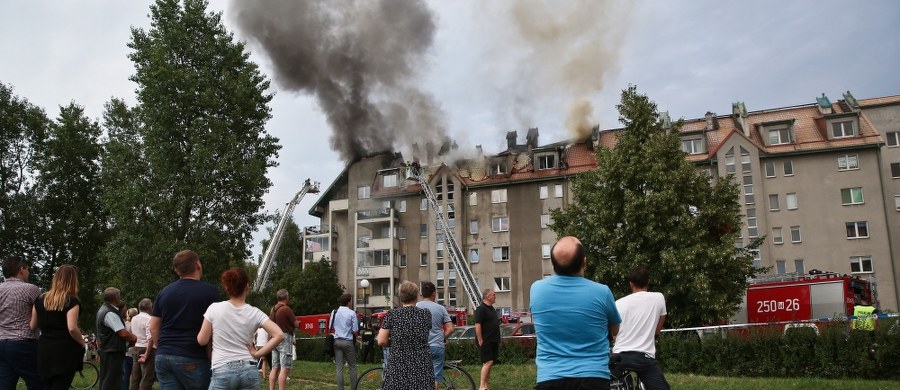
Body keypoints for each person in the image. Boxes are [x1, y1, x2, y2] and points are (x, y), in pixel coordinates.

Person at [530, 236, 622, 390]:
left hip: (550, 377)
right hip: (594, 377)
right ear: (584, 262)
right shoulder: (602, 292)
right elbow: (615, 330)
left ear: (553, 263)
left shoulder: (536, 290)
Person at [197, 268, 284, 390]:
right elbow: (279, 334)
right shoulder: (255, 312)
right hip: (249, 369)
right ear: (247, 287)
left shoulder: (214, 308)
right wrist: (257, 353)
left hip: (222, 368)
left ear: (226, 287)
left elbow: (202, 340)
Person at [150, 249, 220, 390]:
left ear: (177, 270)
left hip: (163, 356)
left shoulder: (164, 292)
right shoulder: (210, 292)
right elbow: (215, 329)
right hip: (193, 355)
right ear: (198, 265)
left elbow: (153, 326)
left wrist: (162, 346)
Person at [612, 266, 669, 390]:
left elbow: (614, 333)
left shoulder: (618, 303)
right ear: (648, 281)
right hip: (644, 357)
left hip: (620, 356)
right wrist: (651, 335)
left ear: (631, 284)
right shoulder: (658, 298)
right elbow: (658, 327)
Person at [29, 264, 85, 390]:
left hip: (44, 349)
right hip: (65, 351)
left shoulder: (40, 299)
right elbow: (72, 328)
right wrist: (81, 341)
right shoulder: (72, 301)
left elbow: (32, 325)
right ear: (73, 280)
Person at [376, 281, 433, 390]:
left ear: (400, 297)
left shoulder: (392, 314)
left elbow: (381, 341)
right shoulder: (425, 314)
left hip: (398, 363)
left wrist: (394, 342)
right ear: (416, 296)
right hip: (422, 364)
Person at [0, 256, 44, 390]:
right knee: (38, 383)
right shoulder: (31, 289)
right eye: (28, 269)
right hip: (23, 342)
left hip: (1, 343)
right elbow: (42, 314)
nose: (28, 272)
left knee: (5, 385)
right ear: (22, 269)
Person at [96, 287, 138, 390]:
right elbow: (122, 333)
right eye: (119, 296)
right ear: (116, 298)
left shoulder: (103, 310)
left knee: (108, 380)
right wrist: (133, 337)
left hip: (108, 350)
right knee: (112, 382)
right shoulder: (110, 313)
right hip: (112, 352)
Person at [416, 281, 454, 390]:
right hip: (437, 346)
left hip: (420, 347)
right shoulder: (441, 308)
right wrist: (442, 338)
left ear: (422, 293)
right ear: (434, 294)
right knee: (435, 379)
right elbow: (450, 328)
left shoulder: (416, 307)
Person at [268, 289, 297, 390]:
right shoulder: (286, 309)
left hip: (274, 338)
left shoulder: (273, 309)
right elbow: (295, 323)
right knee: (284, 369)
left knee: (274, 368)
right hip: (285, 338)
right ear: (286, 297)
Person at [474, 287, 500, 390]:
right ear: (488, 297)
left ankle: (486, 386)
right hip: (485, 340)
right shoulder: (481, 308)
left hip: (493, 340)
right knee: (488, 362)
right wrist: (480, 339)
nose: (495, 296)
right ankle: (481, 386)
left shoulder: (491, 308)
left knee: (490, 362)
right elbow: (477, 324)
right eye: (494, 295)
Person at [332, 293, 359, 390]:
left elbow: (331, 326)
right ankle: (354, 388)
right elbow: (355, 329)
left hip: (337, 340)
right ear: (348, 301)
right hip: (347, 341)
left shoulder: (334, 312)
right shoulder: (352, 313)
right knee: (352, 366)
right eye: (351, 300)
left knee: (339, 367)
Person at [130, 298, 156, 390]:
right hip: (146, 348)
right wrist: (146, 354)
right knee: (147, 377)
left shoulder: (134, 318)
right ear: (149, 308)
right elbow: (150, 338)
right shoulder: (149, 319)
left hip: (136, 347)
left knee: (135, 377)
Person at [122, 306, 138, 390]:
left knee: (126, 374)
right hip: (134, 351)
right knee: (136, 375)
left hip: (125, 352)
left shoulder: (124, 324)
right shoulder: (134, 324)